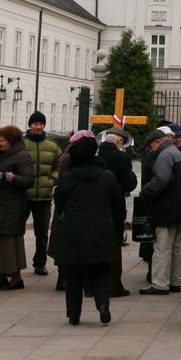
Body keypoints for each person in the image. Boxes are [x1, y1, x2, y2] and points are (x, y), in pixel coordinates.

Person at [54, 134, 125, 325]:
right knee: (101, 270)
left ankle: (74, 313)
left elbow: (59, 204)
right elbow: (119, 207)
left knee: (74, 274)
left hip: (73, 231)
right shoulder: (108, 177)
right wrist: (117, 233)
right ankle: (103, 305)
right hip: (101, 229)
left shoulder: (67, 178)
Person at [139, 128, 181, 295]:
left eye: (151, 146)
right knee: (178, 249)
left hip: (166, 209)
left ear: (157, 142)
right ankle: (175, 282)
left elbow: (161, 179)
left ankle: (160, 284)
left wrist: (146, 190)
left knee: (163, 248)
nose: (151, 150)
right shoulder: (178, 153)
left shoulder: (164, 155)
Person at [0, 125, 34, 291]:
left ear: (11, 140)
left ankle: (16, 278)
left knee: (9, 242)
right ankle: (1, 277)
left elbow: (28, 180)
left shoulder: (21, 155)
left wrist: (11, 177)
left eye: (2, 140)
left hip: (12, 206)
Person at [97, 128, 138, 297]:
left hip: (95, 205)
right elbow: (129, 184)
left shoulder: (96, 156)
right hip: (114, 206)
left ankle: (91, 285)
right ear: (119, 142)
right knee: (114, 245)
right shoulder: (121, 157)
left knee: (95, 243)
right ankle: (114, 286)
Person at [23, 112, 59, 277]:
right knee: (16, 230)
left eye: (41, 124)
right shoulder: (22, 144)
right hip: (23, 195)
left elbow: (59, 165)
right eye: (35, 123)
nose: (38, 127)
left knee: (42, 232)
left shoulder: (52, 146)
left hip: (44, 195)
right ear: (30, 125)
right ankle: (17, 263)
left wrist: (52, 180)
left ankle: (40, 263)